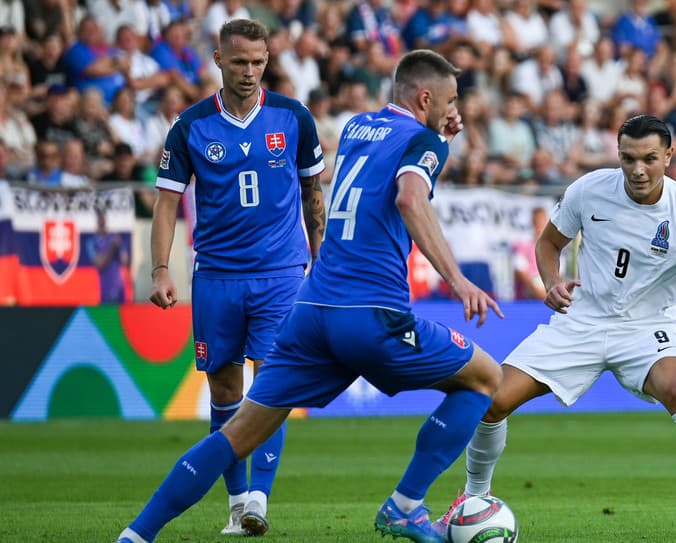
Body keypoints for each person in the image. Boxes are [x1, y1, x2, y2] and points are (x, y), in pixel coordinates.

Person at [117, 48, 503, 543]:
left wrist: (435, 141)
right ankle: (405, 505)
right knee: (483, 379)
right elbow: (409, 196)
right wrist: (459, 280)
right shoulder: (426, 140)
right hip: (373, 314)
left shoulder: (361, 128)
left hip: (312, 308)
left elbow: (391, 174)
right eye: (449, 100)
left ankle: (136, 534)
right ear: (425, 97)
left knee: (233, 435)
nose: (455, 111)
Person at [440, 115, 676, 542]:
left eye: (650, 159)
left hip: (646, 328)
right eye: (628, 158)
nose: (638, 170)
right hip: (581, 321)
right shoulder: (589, 189)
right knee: (493, 400)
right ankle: (473, 501)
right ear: (618, 155)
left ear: (669, 156)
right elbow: (548, 244)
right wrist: (552, 283)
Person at [144, 19, 326, 538]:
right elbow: (166, 204)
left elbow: (314, 194)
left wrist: (323, 264)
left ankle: (260, 500)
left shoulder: (294, 118)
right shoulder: (191, 125)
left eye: (259, 62)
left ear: (268, 60)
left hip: (281, 274)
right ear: (218, 59)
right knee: (224, 390)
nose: (249, 72)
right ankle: (237, 502)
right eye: (240, 61)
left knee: (273, 384)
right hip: (217, 276)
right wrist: (162, 270)